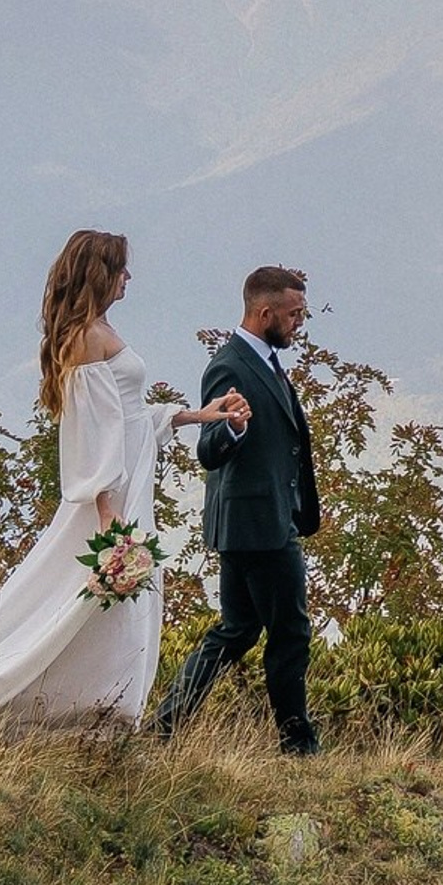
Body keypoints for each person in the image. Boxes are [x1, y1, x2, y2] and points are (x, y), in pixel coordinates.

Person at [0, 229, 249, 739]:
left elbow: (127, 417)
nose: (129, 278)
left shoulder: (98, 329)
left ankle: (98, 713)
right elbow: (92, 429)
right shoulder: (87, 337)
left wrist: (196, 415)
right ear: (101, 272)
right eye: (122, 268)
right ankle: (81, 713)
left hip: (125, 484)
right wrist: (107, 514)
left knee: (109, 607)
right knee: (81, 605)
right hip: (111, 493)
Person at [146, 265, 325, 755]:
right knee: (290, 631)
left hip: (262, 520)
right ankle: (298, 743)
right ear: (264, 312)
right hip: (257, 525)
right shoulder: (230, 365)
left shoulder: (265, 359)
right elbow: (209, 449)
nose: (298, 324)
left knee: (237, 629)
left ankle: (163, 728)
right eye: (293, 315)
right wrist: (234, 428)